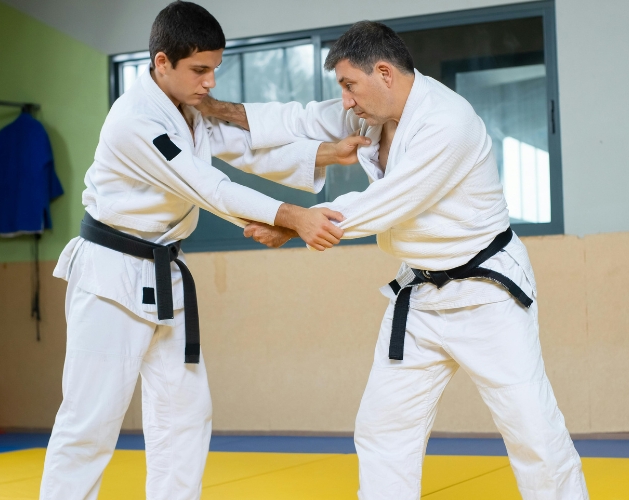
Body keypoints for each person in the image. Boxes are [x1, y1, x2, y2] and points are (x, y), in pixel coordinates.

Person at [197, 20, 589, 500]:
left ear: (383, 72)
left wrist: (292, 223)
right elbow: (295, 118)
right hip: (419, 295)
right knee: (382, 429)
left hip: (486, 295)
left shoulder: (448, 121)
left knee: (533, 431)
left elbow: (388, 202)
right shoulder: (371, 113)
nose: (344, 99)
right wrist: (213, 110)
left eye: (348, 85)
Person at [39, 3, 365, 499]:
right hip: (111, 274)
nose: (210, 82)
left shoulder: (188, 108)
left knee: (184, 417)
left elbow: (245, 149)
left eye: (215, 68)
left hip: (166, 272)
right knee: (90, 423)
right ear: (162, 62)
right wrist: (294, 216)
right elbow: (206, 186)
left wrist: (324, 153)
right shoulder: (134, 120)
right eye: (199, 70)